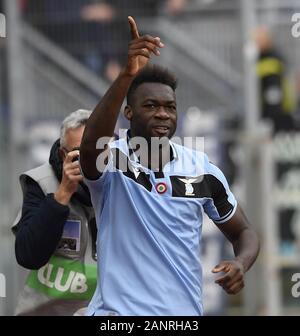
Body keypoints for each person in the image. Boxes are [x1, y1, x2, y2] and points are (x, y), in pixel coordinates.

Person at [80, 16, 260, 316]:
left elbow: (244, 232)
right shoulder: (111, 160)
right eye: (151, 106)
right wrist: (126, 75)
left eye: (170, 107)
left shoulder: (201, 169)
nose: (163, 114)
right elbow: (89, 146)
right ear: (128, 112)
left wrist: (240, 263)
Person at [12, 109, 98, 316]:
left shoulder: (124, 184)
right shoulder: (41, 182)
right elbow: (28, 255)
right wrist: (63, 193)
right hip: (46, 310)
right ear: (63, 154)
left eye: (95, 151)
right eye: (79, 153)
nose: (88, 161)